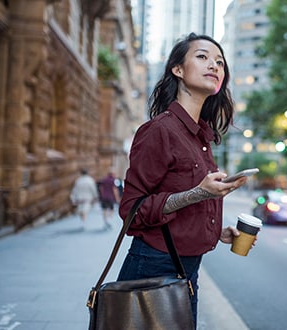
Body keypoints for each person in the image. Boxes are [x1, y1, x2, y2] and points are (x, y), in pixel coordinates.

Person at [116, 33, 250, 326]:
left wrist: (218, 233)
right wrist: (199, 193)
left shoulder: (202, 137)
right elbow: (131, 210)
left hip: (186, 268)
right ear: (178, 69)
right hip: (153, 266)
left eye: (220, 62)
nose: (214, 65)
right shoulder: (159, 131)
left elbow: (183, 199)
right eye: (202, 57)